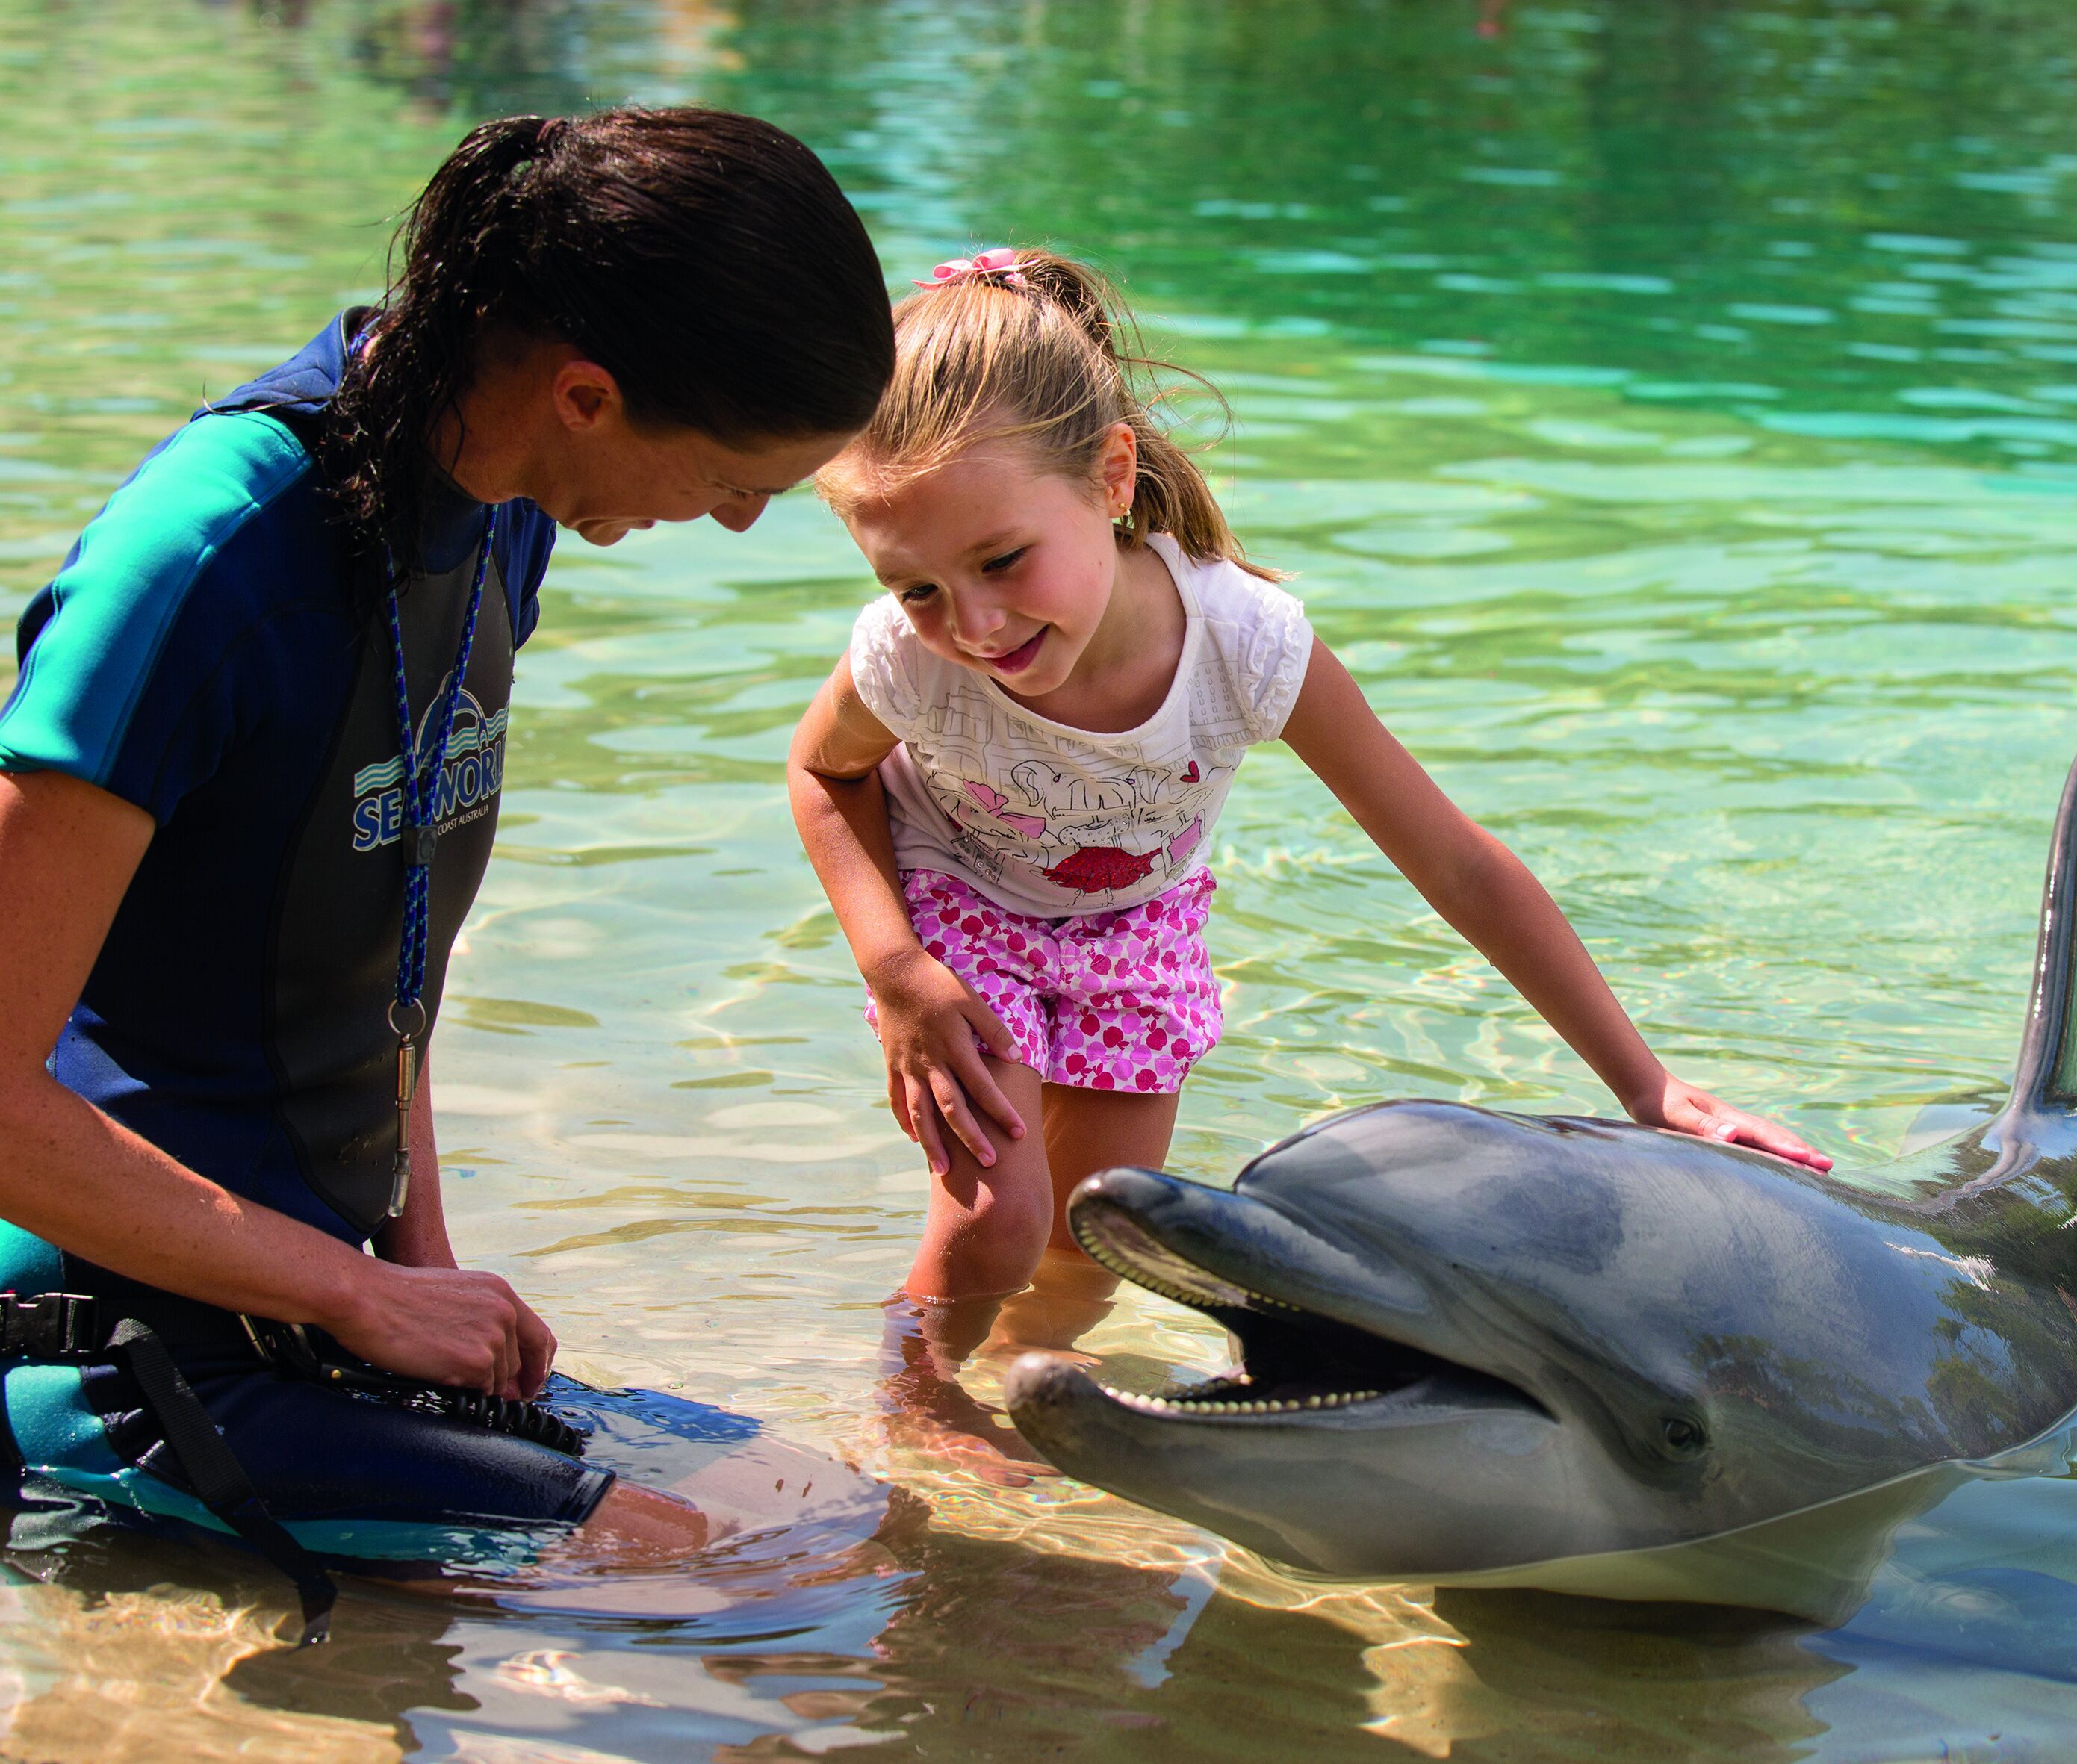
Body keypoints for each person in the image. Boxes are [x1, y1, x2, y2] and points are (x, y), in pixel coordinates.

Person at [0, 107, 892, 1627]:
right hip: (107, 1338)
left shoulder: (502, 516)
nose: (740, 521)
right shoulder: (202, 563)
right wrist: (358, 1293)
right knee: (746, 1581)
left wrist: (423, 1270)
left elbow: (379, 937)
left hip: (315, 1304)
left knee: (831, 1511)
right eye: (735, 476)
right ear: (587, 394)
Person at [789, 248, 1828, 1352]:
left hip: (1132, 929)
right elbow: (823, 771)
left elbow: (1455, 864)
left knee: (1095, 1236)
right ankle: (911, 1412)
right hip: (958, 915)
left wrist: (1648, 1087)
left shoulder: (1244, 645)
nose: (974, 624)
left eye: (1002, 560)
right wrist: (895, 969)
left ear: (1111, 476)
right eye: (918, 586)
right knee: (997, 1222)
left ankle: (1021, 1395)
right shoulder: (910, 656)